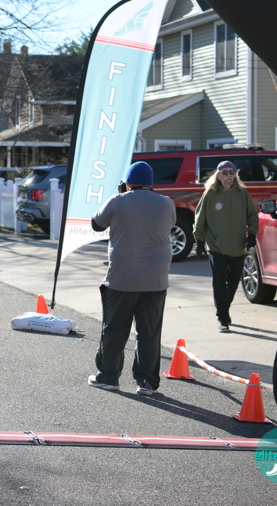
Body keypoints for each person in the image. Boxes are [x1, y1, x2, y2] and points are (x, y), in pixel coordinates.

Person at [87, 161, 176, 396]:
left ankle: (109, 376)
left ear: (127, 183)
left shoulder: (118, 201)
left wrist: (121, 196)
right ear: (151, 183)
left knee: (115, 328)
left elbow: (96, 224)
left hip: (122, 277)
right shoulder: (167, 202)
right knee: (149, 332)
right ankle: (146, 381)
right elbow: (170, 223)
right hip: (156, 279)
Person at [193, 160, 259, 333]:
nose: (228, 175)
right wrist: (199, 241)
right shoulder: (210, 193)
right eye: (225, 172)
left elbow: (252, 215)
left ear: (235, 174)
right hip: (216, 245)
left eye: (232, 172)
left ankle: (224, 308)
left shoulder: (242, 193)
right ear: (218, 175)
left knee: (234, 281)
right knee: (220, 281)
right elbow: (200, 218)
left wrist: (252, 234)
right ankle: (222, 317)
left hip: (237, 245)